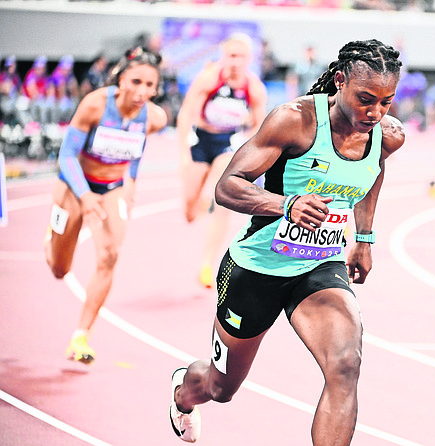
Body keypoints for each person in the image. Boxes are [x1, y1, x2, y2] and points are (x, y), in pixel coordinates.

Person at [169, 38, 405, 445]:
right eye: (366, 99)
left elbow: (373, 172)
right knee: (220, 389)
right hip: (256, 267)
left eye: (387, 101)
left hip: (318, 267)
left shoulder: (385, 134)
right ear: (339, 81)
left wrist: (363, 237)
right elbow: (227, 188)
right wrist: (286, 204)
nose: (376, 112)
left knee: (345, 366)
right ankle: (182, 393)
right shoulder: (294, 121)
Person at [44, 47, 167, 364]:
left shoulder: (154, 117)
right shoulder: (96, 104)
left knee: (110, 256)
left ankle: (81, 335)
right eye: (136, 82)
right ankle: (53, 235)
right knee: (60, 269)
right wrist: (84, 196)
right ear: (121, 78)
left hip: (111, 188)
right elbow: (67, 156)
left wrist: (133, 181)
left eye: (150, 86)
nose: (142, 92)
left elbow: (137, 149)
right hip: (75, 186)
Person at [176, 32, 268, 288]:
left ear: (249, 59)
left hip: (228, 143)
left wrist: (247, 145)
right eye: (230, 55)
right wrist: (183, 154)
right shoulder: (209, 77)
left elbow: (260, 126)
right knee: (189, 211)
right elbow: (185, 114)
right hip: (202, 141)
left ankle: (207, 264)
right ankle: (199, 202)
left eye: (239, 56)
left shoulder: (253, 87)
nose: (234, 61)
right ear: (223, 56)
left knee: (219, 198)